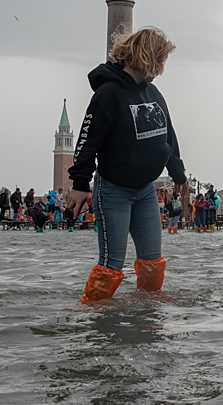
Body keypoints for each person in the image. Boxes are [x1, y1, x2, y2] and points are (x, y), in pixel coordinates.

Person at [66, 27, 188, 303]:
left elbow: (168, 135)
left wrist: (178, 173)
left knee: (153, 261)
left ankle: (146, 312)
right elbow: (87, 142)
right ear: (147, 57)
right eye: (160, 60)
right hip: (113, 191)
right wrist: (80, 184)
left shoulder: (153, 92)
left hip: (145, 191)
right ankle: (93, 313)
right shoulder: (107, 94)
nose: (160, 69)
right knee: (112, 264)